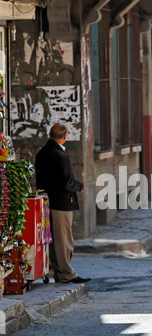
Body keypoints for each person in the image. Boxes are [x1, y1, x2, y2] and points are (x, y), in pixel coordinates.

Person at [35, 122, 91, 284]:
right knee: (63, 239)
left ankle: (59, 271)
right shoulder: (60, 155)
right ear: (65, 136)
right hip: (61, 202)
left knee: (54, 238)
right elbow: (67, 182)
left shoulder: (43, 152)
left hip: (48, 201)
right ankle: (67, 274)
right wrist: (81, 186)